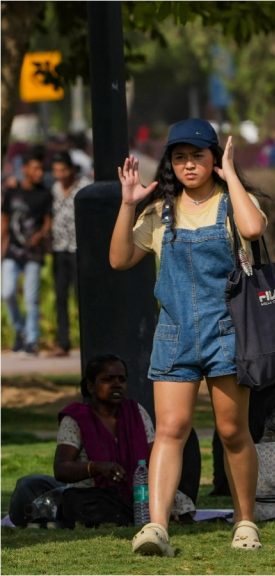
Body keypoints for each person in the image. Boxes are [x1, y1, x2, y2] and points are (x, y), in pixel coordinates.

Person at [109, 118, 268, 555]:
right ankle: (156, 527)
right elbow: (119, 259)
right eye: (179, 157)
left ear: (214, 157)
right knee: (171, 430)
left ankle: (246, 521)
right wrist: (127, 204)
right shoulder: (159, 211)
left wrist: (232, 175)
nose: (188, 165)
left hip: (227, 331)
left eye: (197, 155)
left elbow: (254, 230)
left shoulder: (234, 202)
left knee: (233, 431)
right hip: (174, 333)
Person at [8, 355, 195, 528]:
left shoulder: (136, 412)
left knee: (174, 496)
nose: (116, 385)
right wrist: (96, 468)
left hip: (136, 492)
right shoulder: (76, 418)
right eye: (108, 379)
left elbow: (155, 454)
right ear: (90, 386)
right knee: (37, 488)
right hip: (92, 494)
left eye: (121, 380)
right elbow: (61, 469)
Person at [1, 149, 52, 356]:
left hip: (33, 254)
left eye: (41, 168)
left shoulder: (45, 194)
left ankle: (31, 341)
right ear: (25, 170)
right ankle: (20, 331)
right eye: (35, 168)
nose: (40, 172)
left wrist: (40, 235)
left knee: (31, 298)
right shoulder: (12, 192)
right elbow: (4, 221)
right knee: (7, 292)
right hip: (12, 251)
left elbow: (49, 222)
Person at [49, 151, 92, 357]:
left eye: (63, 170)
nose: (60, 175)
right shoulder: (54, 188)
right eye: (56, 171)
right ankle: (63, 342)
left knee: (81, 296)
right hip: (59, 248)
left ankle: (87, 339)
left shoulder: (84, 187)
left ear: (72, 169)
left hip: (78, 249)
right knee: (60, 296)